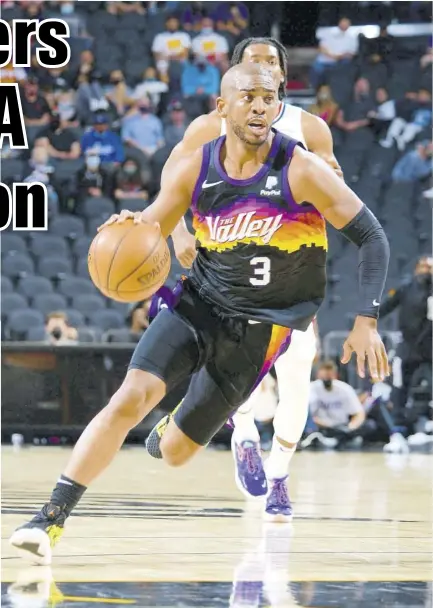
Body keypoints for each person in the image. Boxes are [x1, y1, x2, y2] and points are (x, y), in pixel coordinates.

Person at [9, 63, 390, 564]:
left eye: (269, 98)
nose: (259, 106)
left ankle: (172, 431)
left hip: (257, 332)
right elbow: (152, 224)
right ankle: (49, 518)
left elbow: (372, 236)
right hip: (198, 305)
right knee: (131, 398)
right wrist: (130, 227)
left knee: (175, 453)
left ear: (278, 107)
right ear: (222, 106)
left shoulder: (300, 169)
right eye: (248, 95)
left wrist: (366, 320)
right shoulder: (196, 167)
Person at [147, 37, 343, 522]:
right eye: (252, 62)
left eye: (272, 63)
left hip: (289, 272)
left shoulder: (309, 127)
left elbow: (336, 194)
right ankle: (245, 437)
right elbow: (170, 182)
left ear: (281, 78)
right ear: (234, 75)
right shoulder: (206, 127)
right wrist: (176, 234)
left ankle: (279, 475)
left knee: (297, 378)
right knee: (239, 371)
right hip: (229, 273)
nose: (262, 69)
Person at [380, 256, 432, 453]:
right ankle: (397, 433)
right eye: (423, 266)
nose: (426, 270)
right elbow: (386, 306)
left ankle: (425, 425)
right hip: (408, 349)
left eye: (430, 267)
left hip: (430, 349)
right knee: (400, 389)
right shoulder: (405, 288)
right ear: (416, 268)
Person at [302, 361, 367, 449]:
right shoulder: (311, 388)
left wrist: (351, 427)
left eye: (329, 378)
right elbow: (305, 413)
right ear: (318, 376)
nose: (326, 381)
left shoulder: (345, 389)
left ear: (335, 375)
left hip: (342, 427)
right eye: (323, 378)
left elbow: (359, 413)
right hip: (320, 427)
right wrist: (323, 424)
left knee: (367, 428)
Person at [310, 17, 359, 87]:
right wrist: (331, 56)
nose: (344, 25)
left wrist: (339, 57)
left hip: (341, 61)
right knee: (316, 68)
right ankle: (315, 87)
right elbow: (321, 48)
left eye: (346, 24)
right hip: (325, 59)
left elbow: (352, 53)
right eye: (343, 23)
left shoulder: (352, 38)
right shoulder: (329, 33)